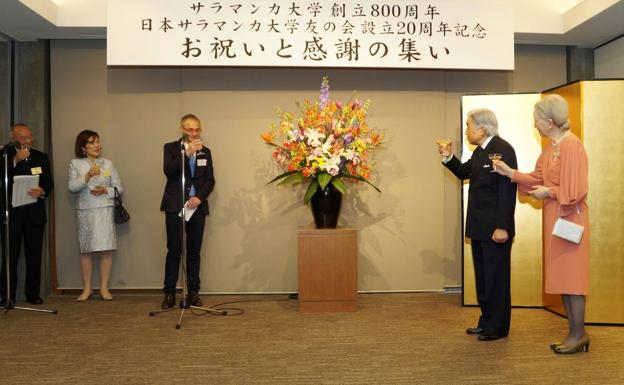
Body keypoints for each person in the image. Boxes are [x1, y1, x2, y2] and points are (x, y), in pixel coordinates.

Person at [493, 94, 590, 354]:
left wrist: (548, 192)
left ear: (549, 121)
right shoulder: (550, 148)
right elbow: (537, 178)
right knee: (562, 278)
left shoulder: (572, 146)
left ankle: (578, 334)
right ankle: (574, 333)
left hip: (571, 221)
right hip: (555, 219)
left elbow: (575, 190)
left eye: (536, 119)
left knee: (573, 279)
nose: (534, 124)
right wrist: (510, 173)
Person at [437, 108, 517, 341]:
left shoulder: (503, 150)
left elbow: (507, 191)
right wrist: (448, 157)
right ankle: (486, 321)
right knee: (483, 278)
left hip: (495, 229)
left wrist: (502, 226)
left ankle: (498, 327)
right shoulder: (481, 151)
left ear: (482, 129)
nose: (466, 130)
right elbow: (464, 172)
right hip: (479, 228)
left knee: (496, 279)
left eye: (468, 126)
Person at [160, 114, 215, 309]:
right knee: (174, 250)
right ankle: (169, 293)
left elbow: (210, 180)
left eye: (197, 130)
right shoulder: (171, 148)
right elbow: (169, 170)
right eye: (190, 129)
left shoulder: (206, 152)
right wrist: (187, 154)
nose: (194, 133)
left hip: (196, 207)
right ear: (182, 129)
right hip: (176, 206)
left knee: (194, 252)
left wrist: (199, 197)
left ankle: (193, 293)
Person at [0, 123, 53, 306]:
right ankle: (8, 296)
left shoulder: (41, 157)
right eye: (23, 138)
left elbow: (49, 182)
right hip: (11, 216)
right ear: (13, 138)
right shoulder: (5, 155)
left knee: (34, 255)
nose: (28, 141)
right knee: (10, 257)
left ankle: (33, 294)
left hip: (34, 214)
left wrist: (42, 190)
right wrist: (15, 159)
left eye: (30, 138)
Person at [68, 130, 123, 302]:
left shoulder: (107, 164)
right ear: (83, 147)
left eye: (98, 142)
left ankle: (104, 288)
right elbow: (72, 187)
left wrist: (105, 190)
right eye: (92, 142)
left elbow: (119, 188)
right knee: (87, 250)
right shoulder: (75, 164)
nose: (97, 145)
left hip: (105, 210)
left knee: (106, 250)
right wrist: (88, 175)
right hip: (86, 211)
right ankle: (87, 289)